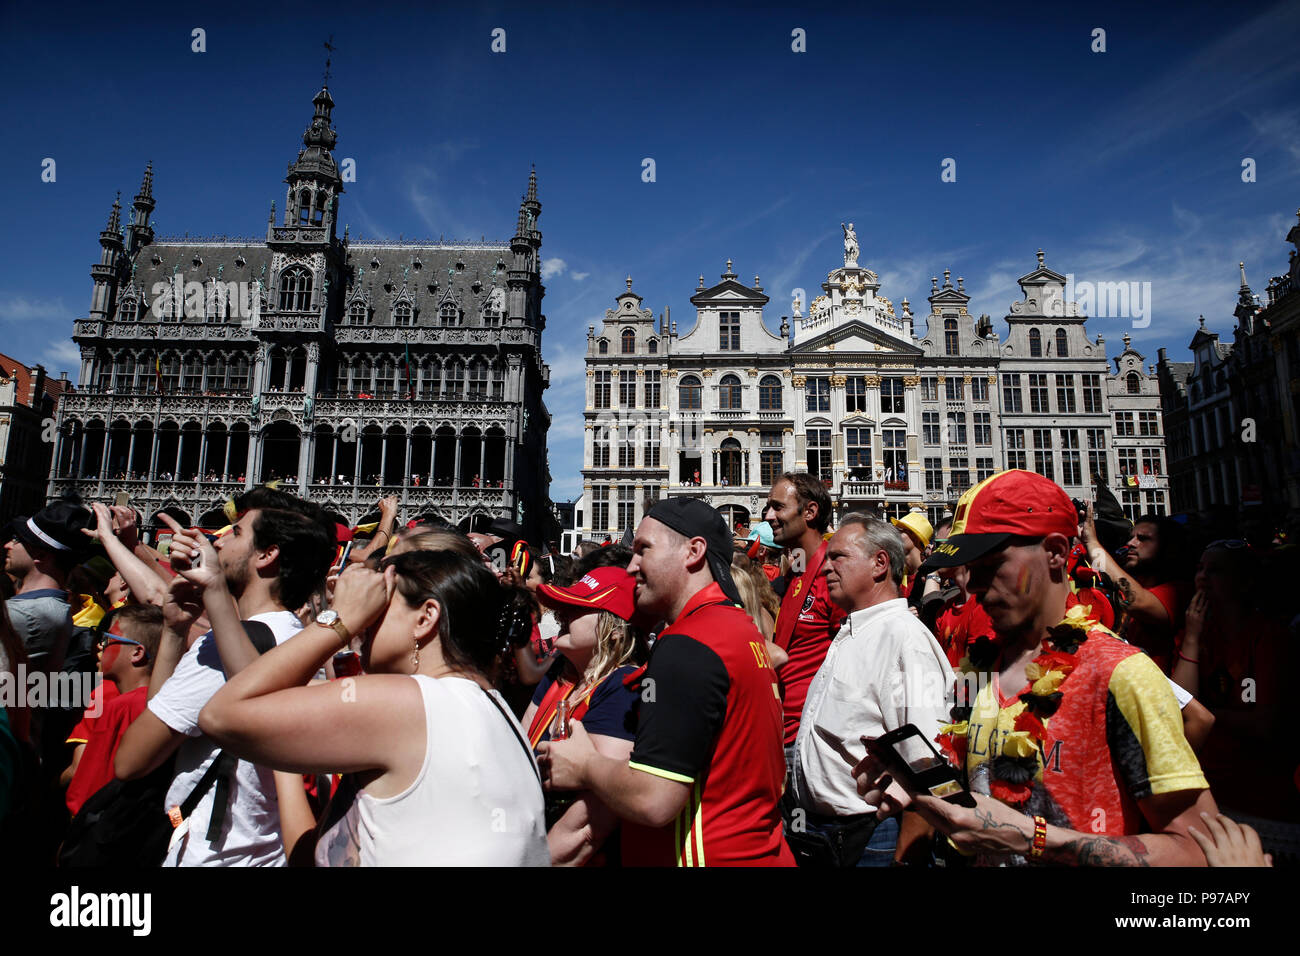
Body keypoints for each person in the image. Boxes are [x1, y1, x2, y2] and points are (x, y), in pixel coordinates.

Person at [857, 470, 1217, 866]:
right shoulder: (977, 668)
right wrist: (916, 786)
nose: (973, 584)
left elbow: (1198, 850)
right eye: (968, 567)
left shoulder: (1121, 673)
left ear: (1056, 552)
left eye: (991, 564)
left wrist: (1035, 838)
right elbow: (972, 791)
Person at [198, 549, 549, 866]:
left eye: (378, 604)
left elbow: (220, 715)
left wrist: (340, 619)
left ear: (425, 618)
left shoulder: (410, 703)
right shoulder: (491, 707)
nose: (365, 623)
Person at [539, 498, 793, 866]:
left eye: (643, 550)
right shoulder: (740, 628)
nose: (631, 567)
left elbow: (653, 799)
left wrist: (584, 765)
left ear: (693, 551)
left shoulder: (689, 643)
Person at [114, 488, 334, 866]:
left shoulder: (226, 648)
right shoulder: (294, 636)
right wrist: (174, 631)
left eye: (235, 533)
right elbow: (165, 718)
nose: (218, 538)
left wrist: (212, 594)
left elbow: (132, 760)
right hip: (259, 850)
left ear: (267, 555)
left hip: (210, 854)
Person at [790, 514, 953, 867]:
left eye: (839, 557)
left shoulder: (905, 638)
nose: (825, 568)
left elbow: (929, 761)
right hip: (826, 834)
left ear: (880, 563)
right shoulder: (855, 629)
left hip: (873, 837)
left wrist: (904, 858)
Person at [523, 566, 645, 865]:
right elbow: (520, 751)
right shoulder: (560, 673)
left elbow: (588, 827)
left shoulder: (624, 686)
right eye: (562, 605)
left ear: (615, 627)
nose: (560, 614)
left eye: (575, 608)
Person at [1171, 540, 1292, 823]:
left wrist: (1207, 714)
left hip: (1260, 789)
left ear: (1244, 582)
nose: (1203, 577)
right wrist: (1191, 640)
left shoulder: (1267, 637)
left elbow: (1263, 724)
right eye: (1200, 568)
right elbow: (1180, 708)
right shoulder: (1194, 633)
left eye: (1216, 570)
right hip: (1209, 784)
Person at [762, 473, 846, 771]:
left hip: (812, 741)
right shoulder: (793, 574)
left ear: (810, 512)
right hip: (781, 733)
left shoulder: (834, 577)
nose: (769, 515)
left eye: (778, 507)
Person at [63, 605, 163, 816]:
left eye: (108, 639)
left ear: (137, 652)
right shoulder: (162, 701)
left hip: (97, 825)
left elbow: (84, 787)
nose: (100, 646)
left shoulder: (117, 705)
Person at [1079, 511, 1188, 673]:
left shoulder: (1179, 590)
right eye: (1131, 537)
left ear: (1167, 546)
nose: (1131, 543)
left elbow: (1136, 600)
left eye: (1143, 538)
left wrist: (1092, 542)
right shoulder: (1137, 581)